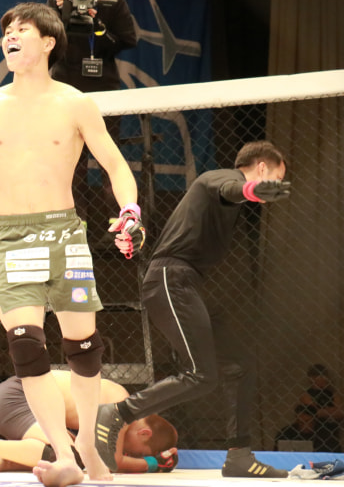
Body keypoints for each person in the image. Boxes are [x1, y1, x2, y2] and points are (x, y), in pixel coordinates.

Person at [0, 1, 144, 486]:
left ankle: (87, 442)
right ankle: (63, 453)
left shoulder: (75, 103)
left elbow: (115, 164)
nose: (11, 36)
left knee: (83, 348)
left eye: (22, 29)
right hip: (14, 238)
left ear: (48, 42)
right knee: (25, 345)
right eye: (7, 30)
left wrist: (130, 211)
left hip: (65, 234)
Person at [94, 141, 292, 478]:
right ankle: (119, 412)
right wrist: (254, 189)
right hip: (170, 279)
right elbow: (230, 189)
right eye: (275, 177)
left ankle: (239, 456)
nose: (275, 185)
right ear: (261, 168)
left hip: (188, 284)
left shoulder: (226, 196)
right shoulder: (218, 179)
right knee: (200, 375)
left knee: (240, 364)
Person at [46, 0, 136, 220]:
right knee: (72, 164)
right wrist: (60, 14)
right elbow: (47, 44)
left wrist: (98, 27)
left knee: (109, 161)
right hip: (65, 91)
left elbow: (127, 40)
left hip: (104, 92)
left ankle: (121, 224)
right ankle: (76, 224)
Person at [0, 371, 178, 474]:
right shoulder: (120, 405)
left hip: (15, 399)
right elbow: (112, 462)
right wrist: (152, 463)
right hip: (16, 399)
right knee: (73, 457)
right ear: (144, 433)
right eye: (140, 452)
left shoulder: (118, 399)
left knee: (71, 454)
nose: (133, 454)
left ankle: (8, 459)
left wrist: (154, 459)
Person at [298, 364, 343, 453]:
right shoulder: (307, 394)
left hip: (331, 433)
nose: (323, 380)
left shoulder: (332, 394)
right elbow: (313, 413)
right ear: (312, 378)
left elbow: (340, 413)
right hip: (314, 433)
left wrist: (321, 411)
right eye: (319, 377)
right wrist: (330, 411)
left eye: (324, 376)